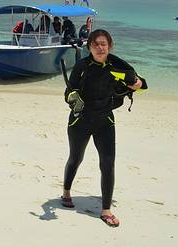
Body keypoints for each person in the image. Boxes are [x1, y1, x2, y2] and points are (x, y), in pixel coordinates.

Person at [61, 29, 146, 227]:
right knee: (76, 158)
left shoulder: (117, 66)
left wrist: (137, 84)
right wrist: (72, 98)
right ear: (89, 47)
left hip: (105, 120)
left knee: (108, 163)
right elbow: (68, 93)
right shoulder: (82, 66)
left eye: (103, 44)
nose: (100, 48)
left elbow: (142, 84)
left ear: (110, 46)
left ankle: (106, 211)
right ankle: (66, 192)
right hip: (80, 120)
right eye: (95, 44)